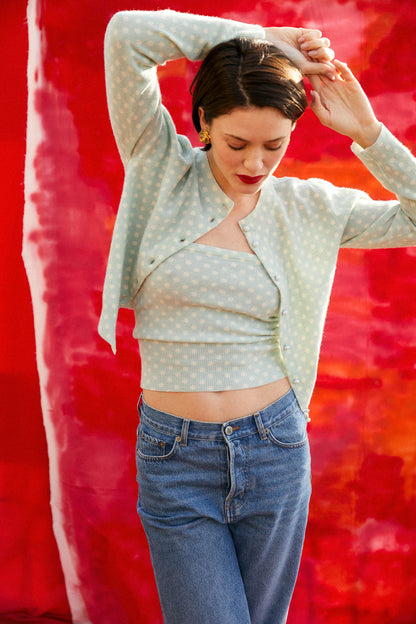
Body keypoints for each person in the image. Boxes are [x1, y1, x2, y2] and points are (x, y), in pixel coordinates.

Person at [99, 9, 416, 624]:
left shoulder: (310, 206)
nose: (254, 163)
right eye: (236, 143)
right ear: (203, 123)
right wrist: (261, 40)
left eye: (275, 145)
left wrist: (370, 133)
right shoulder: (159, 168)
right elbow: (126, 36)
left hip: (274, 450)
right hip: (174, 456)